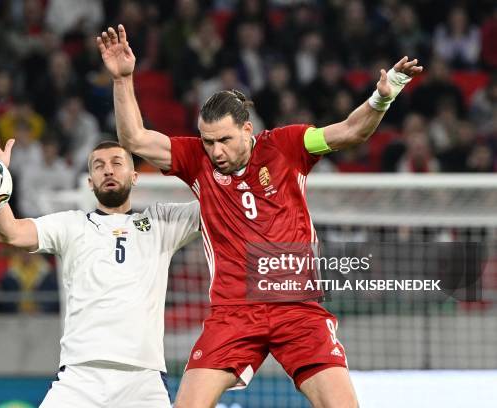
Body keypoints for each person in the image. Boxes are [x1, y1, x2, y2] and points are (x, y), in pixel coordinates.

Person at [98, 24, 423, 408]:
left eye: (224, 140)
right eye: (207, 141)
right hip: (233, 313)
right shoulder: (195, 160)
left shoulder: (289, 145)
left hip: (297, 309)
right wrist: (123, 79)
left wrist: (382, 99)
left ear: (247, 130)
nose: (215, 151)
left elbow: (351, 132)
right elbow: (134, 139)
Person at [0, 122, 200, 407]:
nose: (108, 170)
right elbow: (9, 232)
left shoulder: (162, 222)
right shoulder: (71, 224)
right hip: (80, 377)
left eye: (117, 163)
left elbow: (217, 205)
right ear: (90, 182)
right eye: (99, 165)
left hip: (143, 378)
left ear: (135, 176)